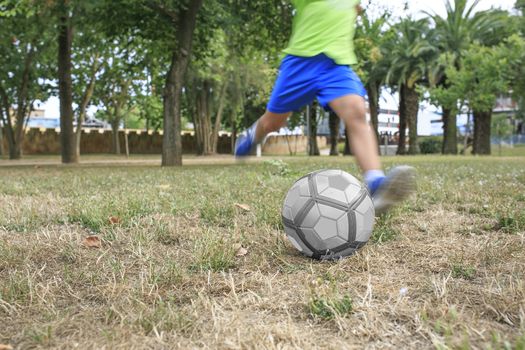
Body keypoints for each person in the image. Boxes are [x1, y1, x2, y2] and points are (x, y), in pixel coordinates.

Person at [235, 0, 415, 214]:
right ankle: (253, 134)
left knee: (356, 111)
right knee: (275, 122)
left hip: (336, 66)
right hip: (300, 63)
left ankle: (376, 183)